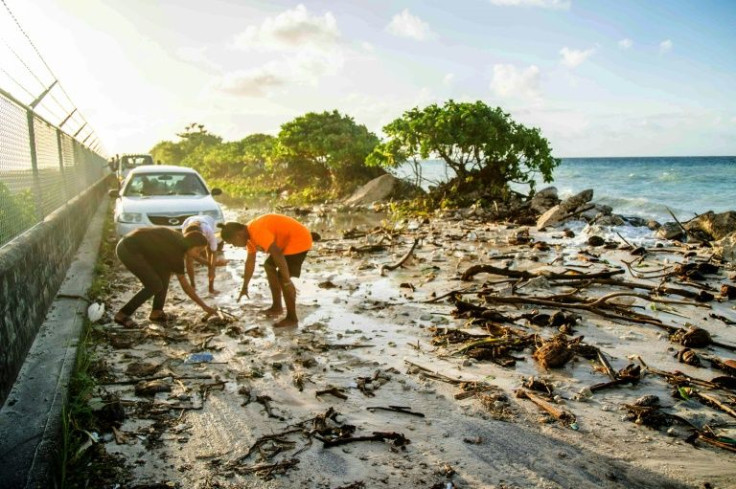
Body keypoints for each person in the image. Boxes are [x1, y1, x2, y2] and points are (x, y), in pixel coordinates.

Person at [218, 214, 312, 327]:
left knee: (282, 277)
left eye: (233, 242)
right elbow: (250, 263)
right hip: (285, 243)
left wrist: (287, 280)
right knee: (269, 266)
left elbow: (277, 253)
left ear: (238, 235)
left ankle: (292, 318)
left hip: (299, 239)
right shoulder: (249, 236)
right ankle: (277, 307)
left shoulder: (257, 231)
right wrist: (244, 287)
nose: (235, 246)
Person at [113, 226, 217, 328]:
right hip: (128, 249)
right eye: (198, 250)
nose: (197, 255)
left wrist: (209, 263)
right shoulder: (175, 253)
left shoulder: (180, 241)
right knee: (154, 285)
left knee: (165, 272)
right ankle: (122, 314)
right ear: (191, 244)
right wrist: (204, 306)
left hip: (138, 248)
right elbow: (186, 287)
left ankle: (156, 312)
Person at [181, 215, 221, 293]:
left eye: (200, 250)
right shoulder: (186, 231)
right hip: (188, 223)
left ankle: (211, 288)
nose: (198, 253)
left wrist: (212, 269)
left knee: (209, 254)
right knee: (189, 258)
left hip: (208, 222)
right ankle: (193, 285)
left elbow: (214, 253)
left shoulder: (209, 232)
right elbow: (190, 256)